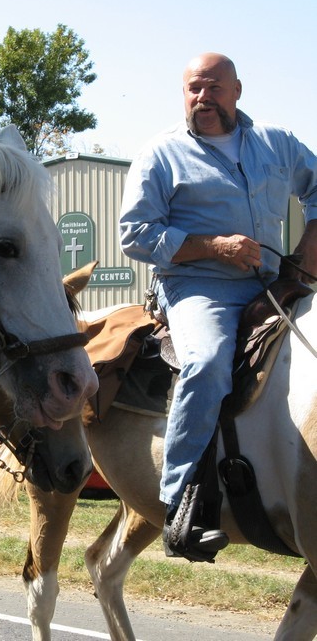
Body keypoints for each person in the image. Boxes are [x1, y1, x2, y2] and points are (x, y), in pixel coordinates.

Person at [119, 52, 317, 561]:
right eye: (193, 89)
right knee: (206, 363)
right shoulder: (161, 154)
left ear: (237, 90)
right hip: (197, 286)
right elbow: (135, 234)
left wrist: (300, 264)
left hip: (272, 282)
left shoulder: (278, 144)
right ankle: (181, 505)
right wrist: (214, 247)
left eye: (212, 88)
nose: (202, 98)